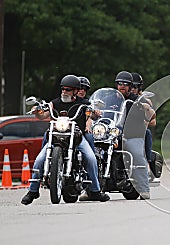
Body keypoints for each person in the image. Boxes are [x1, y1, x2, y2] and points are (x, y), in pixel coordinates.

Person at [21, 75, 110, 205]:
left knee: (90, 158)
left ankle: (95, 191)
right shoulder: (55, 103)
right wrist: (37, 111)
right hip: (57, 136)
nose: (64, 92)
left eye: (68, 90)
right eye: (63, 89)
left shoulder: (83, 103)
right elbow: (43, 115)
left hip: (77, 137)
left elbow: (91, 115)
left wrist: (95, 112)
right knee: (39, 160)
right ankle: (33, 191)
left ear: (75, 91)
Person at [116, 71, 155, 199]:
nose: (122, 86)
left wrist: (147, 108)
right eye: (119, 83)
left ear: (130, 86)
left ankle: (144, 189)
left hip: (133, 135)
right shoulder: (113, 99)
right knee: (97, 153)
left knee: (137, 154)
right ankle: (90, 190)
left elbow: (152, 116)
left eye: (125, 84)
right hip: (114, 135)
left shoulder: (138, 99)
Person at [130, 72, 156, 175]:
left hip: (138, 128)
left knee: (147, 133)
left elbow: (153, 121)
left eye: (135, 87)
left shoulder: (145, 101)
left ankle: (148, 162)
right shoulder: (121, 99)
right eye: (130, 86)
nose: (132, 89)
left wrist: (144, 122)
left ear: (139, 87)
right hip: (121, 128)